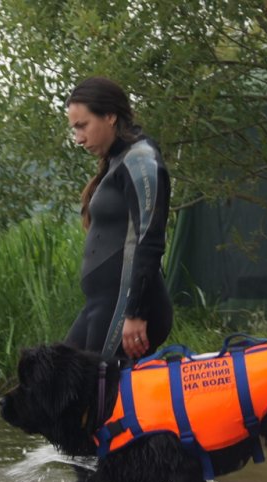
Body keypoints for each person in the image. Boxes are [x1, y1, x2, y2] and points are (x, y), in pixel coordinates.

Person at [64, 76, 173, 361]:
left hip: (127, 309)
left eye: (82, 126)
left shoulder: (141, 160)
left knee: (98, 399)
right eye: (74, 129)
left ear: (110, 116)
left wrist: (135, 312)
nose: (78, 138)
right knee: (56, 385)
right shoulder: (118, 160)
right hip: (101, 306)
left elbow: (150, 241)